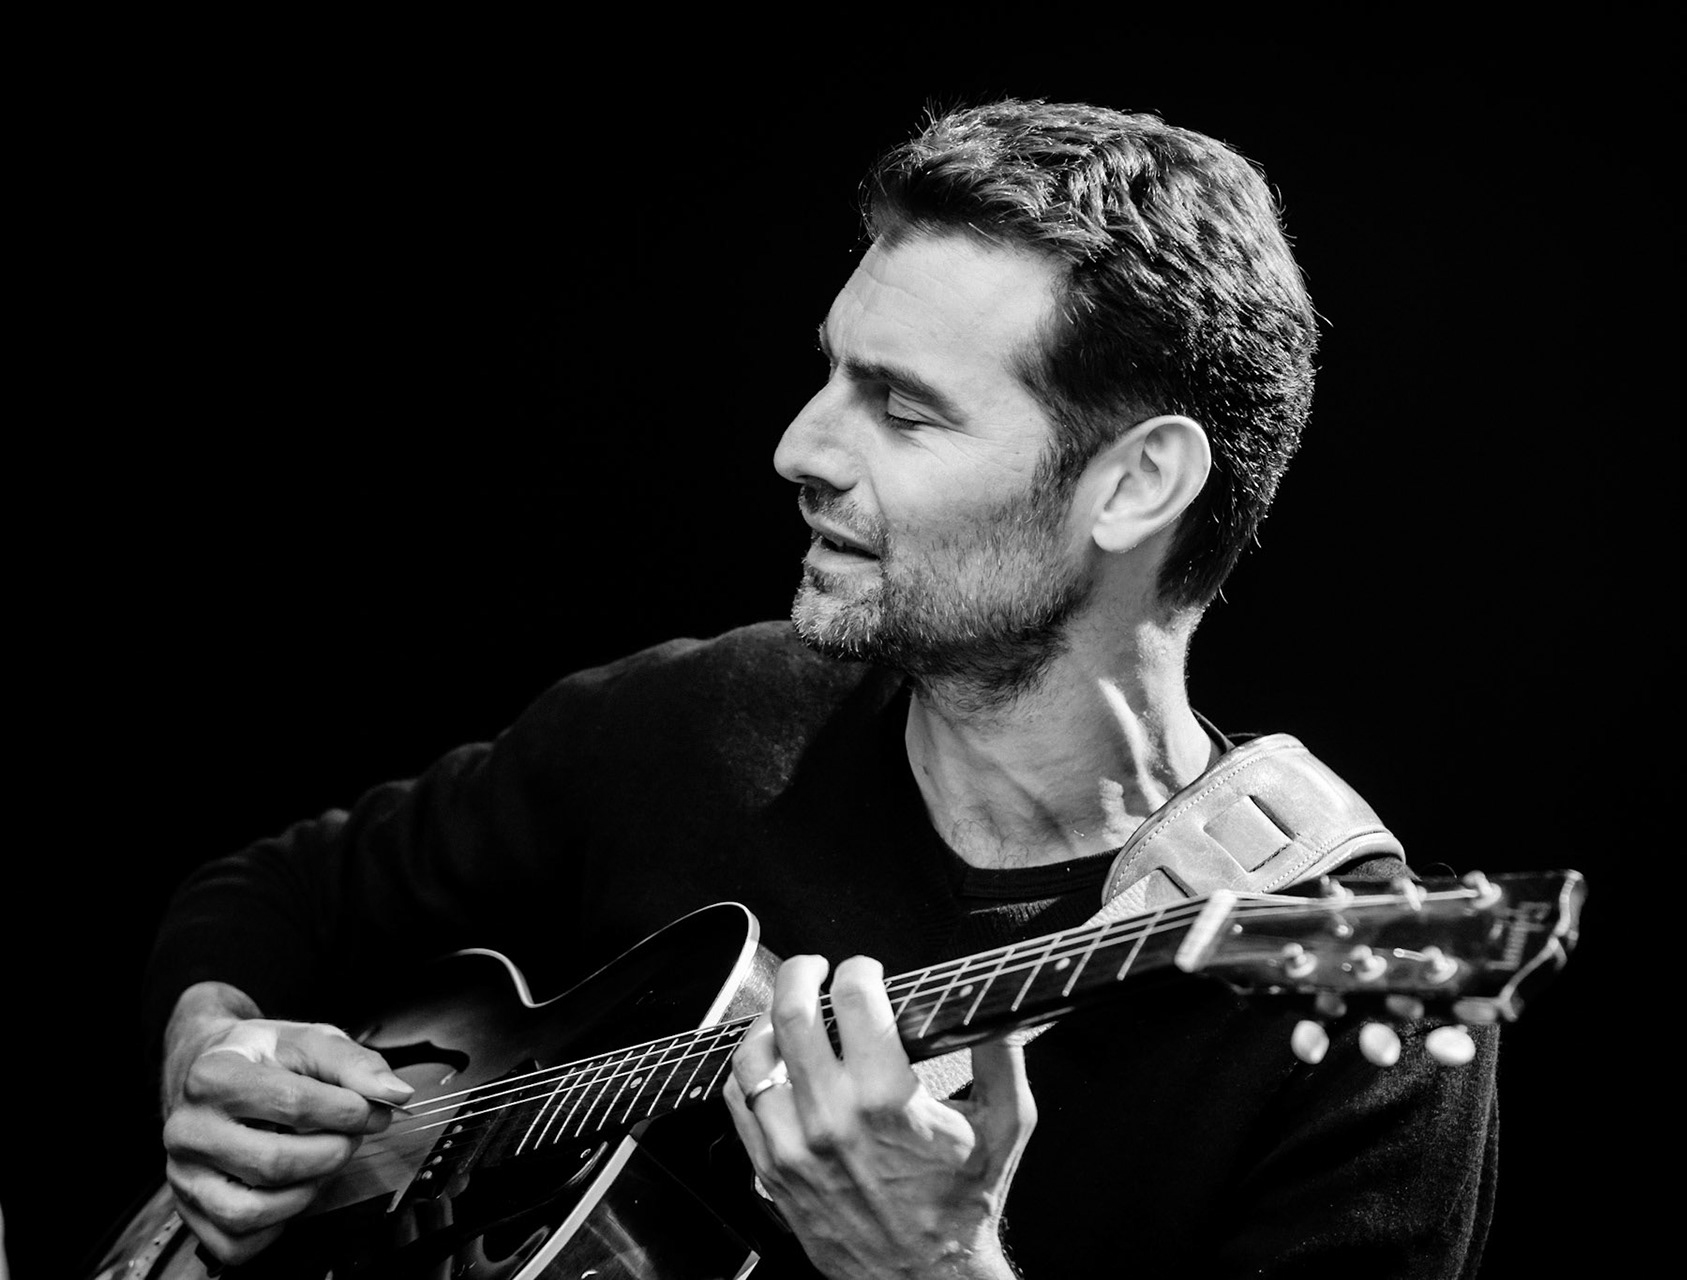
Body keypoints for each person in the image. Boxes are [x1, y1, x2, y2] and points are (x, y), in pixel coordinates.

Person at [140, 99, 1499, 1279]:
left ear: (1136, 485)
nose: (800, 448)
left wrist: (928, 1268)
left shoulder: (1369, 1024)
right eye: (830, 374)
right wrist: (216, 1050)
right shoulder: (705, 719)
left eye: (903, 410)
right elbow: (275, 896)